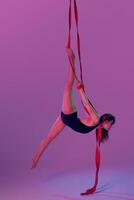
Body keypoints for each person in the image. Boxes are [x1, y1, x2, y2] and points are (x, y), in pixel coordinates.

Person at [31, 47, 115, 169]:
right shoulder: (96, 119)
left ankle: (35, 159)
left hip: (66, 120)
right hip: (69, 115)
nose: (110, 126)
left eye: (111, 125)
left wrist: (82, 90)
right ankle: (72, 59)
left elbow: (87, 104)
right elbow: (86, 104)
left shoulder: (97, 122)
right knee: (68, 86)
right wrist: (81, 90)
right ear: (105, 120)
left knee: (49, 138)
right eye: (110, 123)